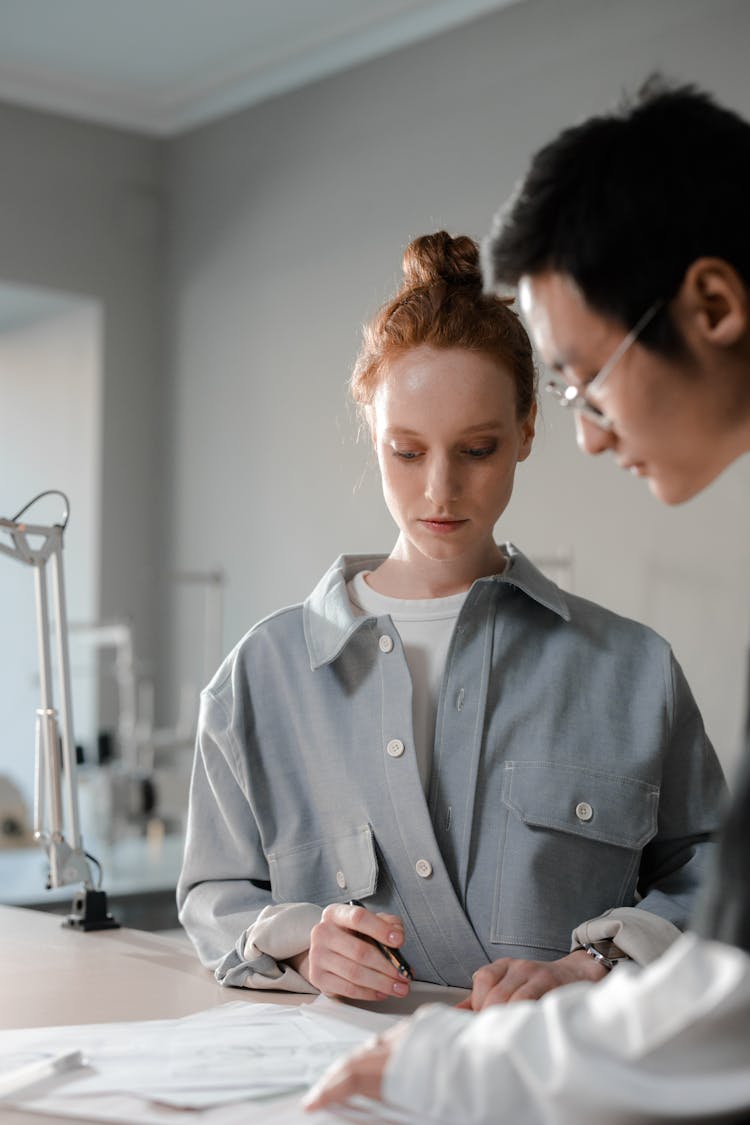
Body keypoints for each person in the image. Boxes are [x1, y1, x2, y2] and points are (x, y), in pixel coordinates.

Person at [305, 79, 750, 1122]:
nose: (590, 432)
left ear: (715, 307)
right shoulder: (269, 667)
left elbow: (728, 1006)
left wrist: (447, 1068)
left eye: (586, 377)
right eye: (569, 394)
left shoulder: (631, 666)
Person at [178, 229, 723, 1010]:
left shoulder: (635, 671)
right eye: (407, 451)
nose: (442, 490)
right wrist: (302, 944)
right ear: (372, 429)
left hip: (560, 1086)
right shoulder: (258, 678)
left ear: (528, 430)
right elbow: (212, 892)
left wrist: (593, 965)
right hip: (342, 1090)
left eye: (477, 448)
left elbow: (718, 877)